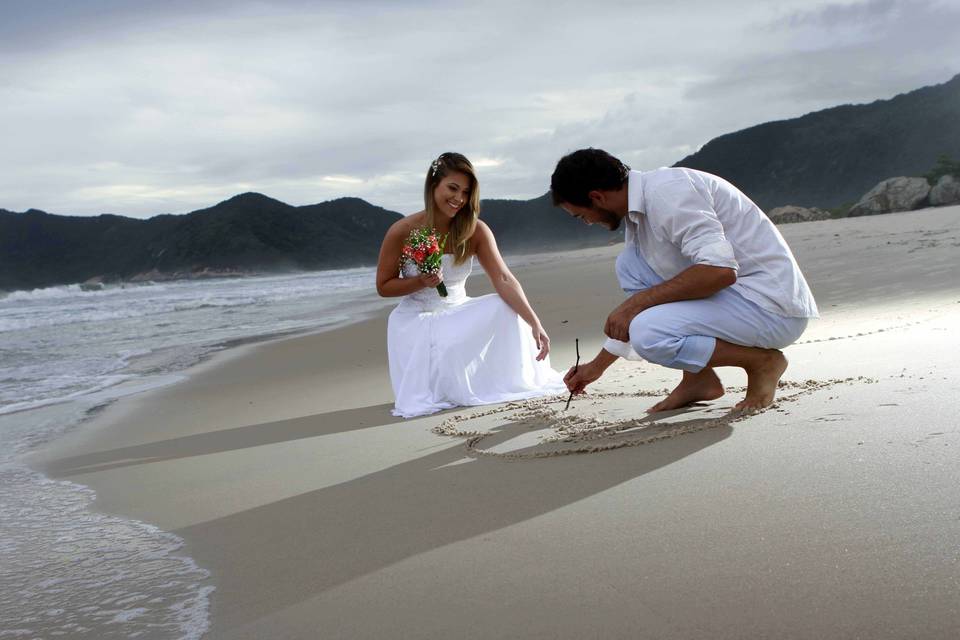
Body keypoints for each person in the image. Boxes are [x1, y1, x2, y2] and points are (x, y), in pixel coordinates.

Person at [551, 148, 818, 412]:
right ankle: (698, 378)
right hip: (740, 300)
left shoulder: (668, 193)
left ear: (596, 197)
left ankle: (761, 362)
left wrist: (634, 305)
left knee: (649, 333)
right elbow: (651, 301)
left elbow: (719, 271)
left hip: (770, 306)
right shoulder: (639, 213)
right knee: (631, 265)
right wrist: (596, 366)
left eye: (580, 215)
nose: (586, 222)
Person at [376, 152, 566, 418]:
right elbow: (384, 286)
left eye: (466, 192)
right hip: (416, 320)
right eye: (452, 188)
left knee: (503, 306)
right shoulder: (403, 230)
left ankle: (492, 377)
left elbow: (503, 278)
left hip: (457, 310)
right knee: (442, 366)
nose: (459, 199)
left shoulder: (475, 230)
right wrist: (420, 281)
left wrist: (535, 323)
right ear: (433, 186)